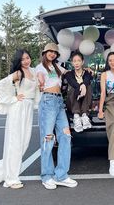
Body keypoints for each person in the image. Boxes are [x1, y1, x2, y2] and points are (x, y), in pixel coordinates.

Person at [0, 49, 40, 189]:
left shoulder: (33, 71)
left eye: (27, 58)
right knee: (15, 144)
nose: (26, 61)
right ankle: (11, 179)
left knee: (24, 144)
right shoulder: (18, 73)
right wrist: (13, 98)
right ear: (18, 62)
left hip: (28, 109)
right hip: (18, 108)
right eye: (23, 59)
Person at [36, 43, 77, 190]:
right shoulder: (40, 68)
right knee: (48, 138)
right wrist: (40, 83)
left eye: (54, 52)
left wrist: (85, 70)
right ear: (45, 53)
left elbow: (72, 72)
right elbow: (39, 81)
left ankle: (61, 175)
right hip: (48, 100)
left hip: (59, 102)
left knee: (66, 136)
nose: (52, 54)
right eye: (50, 52)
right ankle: (46, 176)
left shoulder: (57, 66)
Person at [65, 51, 93, 132]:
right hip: (72, 103)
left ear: (82, 62)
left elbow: (88, 79)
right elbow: (74, 83)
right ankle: (76, 117)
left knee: (88, 86)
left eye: (79, 61)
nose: (76, 63)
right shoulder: (69, 74)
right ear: (72, 63)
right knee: (74, 88)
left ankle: (84, 116)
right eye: (74, 61)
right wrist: (82, 86)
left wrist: (84, 85)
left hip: (85, 104)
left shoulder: (88, 73)